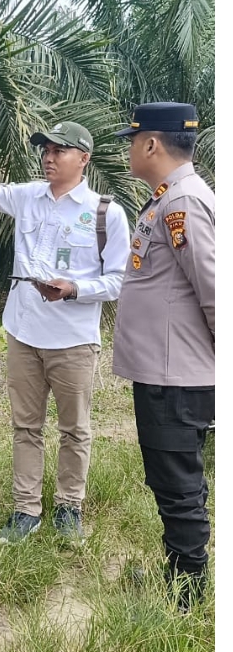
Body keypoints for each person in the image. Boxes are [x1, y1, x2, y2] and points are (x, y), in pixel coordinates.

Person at [0, 122, 129, 543]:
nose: (49, 157)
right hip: (23, 333)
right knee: (26, 427)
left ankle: (69, 507)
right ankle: (26, 509)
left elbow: (119, 281)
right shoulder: (27, 196)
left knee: (75, 429)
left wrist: (75, 289)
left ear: (84, 159)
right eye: (45, 150)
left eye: (60, 150)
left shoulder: (105, 212)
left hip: (73, 339)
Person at [109, 101, 215, 612]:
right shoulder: (169, 199)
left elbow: (215, 290)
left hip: (176, 377)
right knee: (178, 482)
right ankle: (179, 572)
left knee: (177, 485)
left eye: (133, 139)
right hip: (166, 371)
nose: (129, 148)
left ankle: (185, 596)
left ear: (152, 144)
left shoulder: (182, 204)